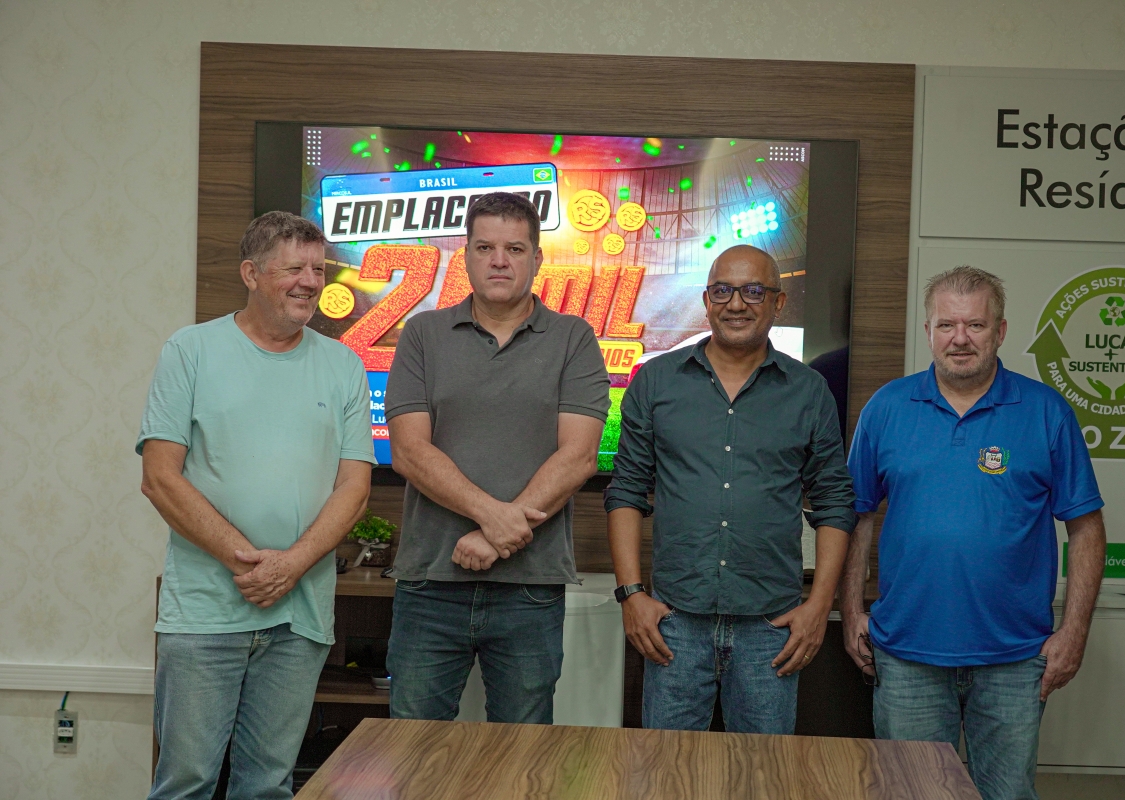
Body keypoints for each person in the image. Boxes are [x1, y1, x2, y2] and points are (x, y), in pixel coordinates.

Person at [841, 266, 1105, 800]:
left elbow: (1086, 530)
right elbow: (856, 518)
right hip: (907, 653)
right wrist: (850, 612)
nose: (959, 339)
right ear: (929, 330)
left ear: (1000, 331)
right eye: (946, 325)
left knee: (1006, 794)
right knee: (910, 792)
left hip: (1015, 658)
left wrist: (1074, 634)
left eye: (975, 325)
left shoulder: (1046, 412)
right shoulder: (886, 409)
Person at [138, 211, 375, 799]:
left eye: (318, 270)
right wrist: (250, 563)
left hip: (300, 616)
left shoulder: (344, 364)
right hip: (204, 613)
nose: (310, 282)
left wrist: (289, 567)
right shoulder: (190, 350)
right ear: (250, 273)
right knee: (186, 783)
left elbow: (354, 487)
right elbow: (160, 478)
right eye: (294, 269)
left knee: (267, 786)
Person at [605, 244, 857, 734]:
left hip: (772, 628)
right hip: (674, 622)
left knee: (761, 770)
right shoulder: (656, 381)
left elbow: (834, 502)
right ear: (706, 300)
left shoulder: (808, 390)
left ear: (778, 302)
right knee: (666, 768)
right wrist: (631, 594)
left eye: (753, 291)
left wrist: (818, 607)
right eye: (722, 290)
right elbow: (627, 490)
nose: (736, 304)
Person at [384, 192, 610, 724]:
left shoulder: (573, 338)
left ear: (537, 258)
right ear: (466, 256)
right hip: (430, 582)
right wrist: (494, 517)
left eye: (515, 248)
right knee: (411, 748)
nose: (499, 260)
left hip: (530, 587)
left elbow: (579, 457)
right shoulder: (422, 334)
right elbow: (409, 452)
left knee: (523, 753)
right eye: (485, 247)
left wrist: (493, 537)